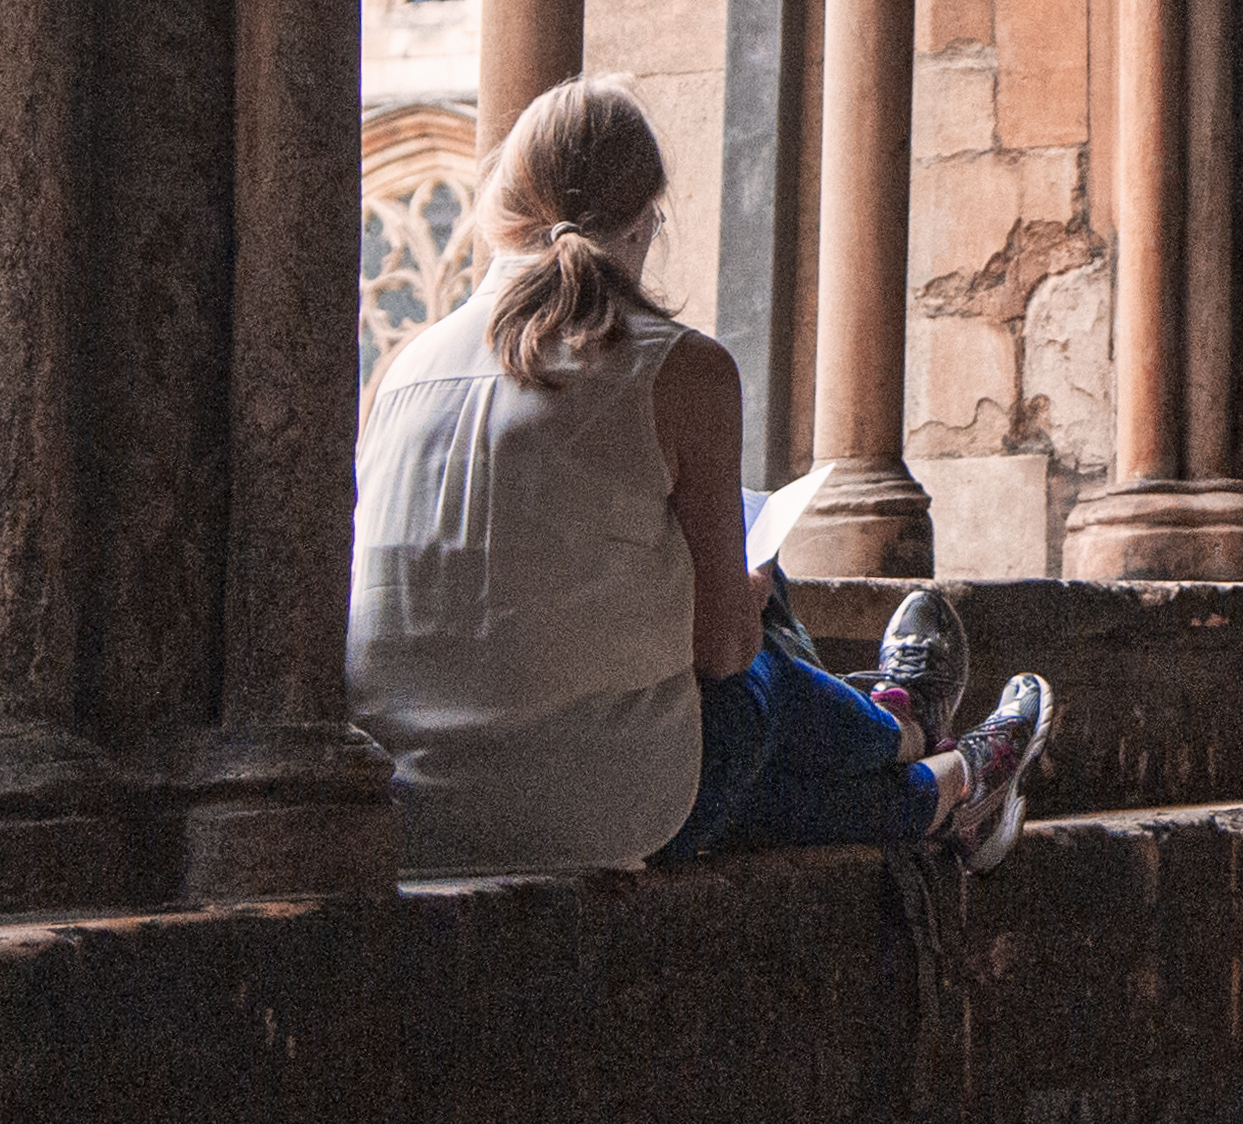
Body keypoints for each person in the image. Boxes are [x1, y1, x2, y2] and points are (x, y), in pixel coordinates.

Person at [352, 77, 1055, 873]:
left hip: (407, 815)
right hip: (605, 817)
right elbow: (722, 653)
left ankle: (936, 774)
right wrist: (745, 595)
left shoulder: (403, 369)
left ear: (499, 207)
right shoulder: (680, 366)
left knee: (729, 773)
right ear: (649, 219)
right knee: (749, 680)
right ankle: (919, 742)